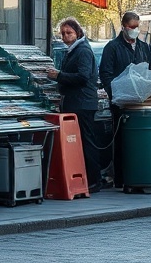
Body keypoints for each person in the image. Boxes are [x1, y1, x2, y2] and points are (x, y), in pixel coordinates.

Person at [98, 11, 151, 189]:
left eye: (137, 27)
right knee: (122, 140)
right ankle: (121, 178)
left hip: (141, 104)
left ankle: (141, 172)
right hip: (121, 103)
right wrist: (116, 94)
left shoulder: (144, 47)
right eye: (131, 27)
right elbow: (105, 74)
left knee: (140, 140)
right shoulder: (112, 47)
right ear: (123, 26)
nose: (134, 30)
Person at [46, 17, 102, 193]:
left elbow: (83, 76)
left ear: (77, 33)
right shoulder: (72, 50)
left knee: (87, 142)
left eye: (68, 33)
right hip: (77, 102)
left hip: (83, 103)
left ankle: (94, 180)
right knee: (81, 142)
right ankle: (88, 178)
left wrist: (59, 76)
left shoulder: (83, 50)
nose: (65, 37)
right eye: (62, 33)